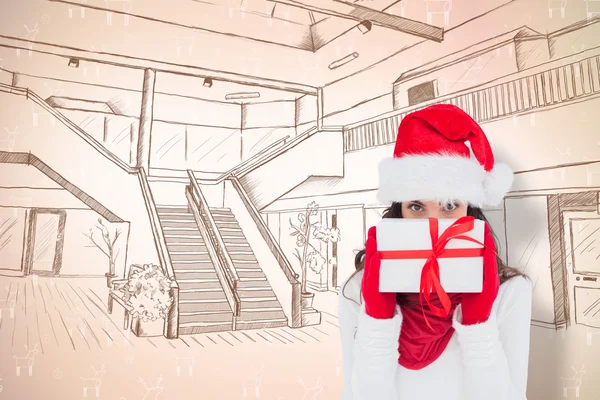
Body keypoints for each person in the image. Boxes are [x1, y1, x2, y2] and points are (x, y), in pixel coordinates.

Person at [338, 104, 533, 400]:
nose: (434, 224)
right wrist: (378, 320)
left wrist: (477, 324)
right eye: (417, 207)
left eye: (450, 206)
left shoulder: (511, 292)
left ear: (470, 209)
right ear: (399, 211)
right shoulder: (358, 290)